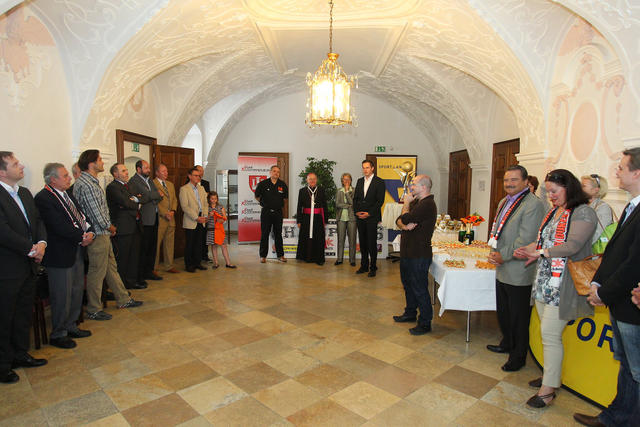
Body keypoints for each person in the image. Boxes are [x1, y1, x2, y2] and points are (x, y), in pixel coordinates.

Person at [514, 169, 596, 408]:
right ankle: (550, 377)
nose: (550, 195)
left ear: (568, 188)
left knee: (550, 335)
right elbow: (543, 241)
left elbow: (572, 245)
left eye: (554, 191)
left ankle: (548, 390)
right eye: (548, 191)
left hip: (563, 284)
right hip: (544, 280)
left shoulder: (583, 212)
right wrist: (529, 250)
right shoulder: (554, 211)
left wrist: (540, 252)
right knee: (547, 334)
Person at [574, 148, 640, 427]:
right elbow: (614, 252)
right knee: (626, 366)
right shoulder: (631, 205)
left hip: (631, 305)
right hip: (620, 301)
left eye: (622, 167)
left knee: (636, 370)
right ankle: (615, 417)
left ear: (637, 173)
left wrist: (603, 292)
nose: (617, 172)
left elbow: (633, 263)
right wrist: (597, 282)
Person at [485, 165, 545, 372]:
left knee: (519, 317)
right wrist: (494, 251)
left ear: (526, 182)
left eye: (514, 180)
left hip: (519, 269)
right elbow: (498, 230)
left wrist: (503, 255)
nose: (509, 184)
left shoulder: (533, 204)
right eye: (506, 180)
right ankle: (507, 343)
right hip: (502, 266)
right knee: (504, 312)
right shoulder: (504, 201)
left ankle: (518, 357)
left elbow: (526, 239)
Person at [74, 149, 143, 320]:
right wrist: (110, 226)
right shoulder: (87, 184)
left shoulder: (91, 181)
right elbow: (95, 213)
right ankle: (94, 309)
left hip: (102, 233)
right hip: (97, 234)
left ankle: (123, 298)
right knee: (97, 273)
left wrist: (107, 227)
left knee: (111, 268)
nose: (102, 162)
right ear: (91, 164)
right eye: (99, 160)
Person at [0, 152, 48, 384]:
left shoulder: (25, 193)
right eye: (15, 164)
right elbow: (3, 231)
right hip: (7, 268)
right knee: (4, 317)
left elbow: (37, 221)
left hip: (29, 265)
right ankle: (3, 365)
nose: (22, 166)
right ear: (2, 172)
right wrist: (31, 248)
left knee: (22, 313)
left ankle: (20, 354)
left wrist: (42, 243)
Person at [35, 163, 94, 349]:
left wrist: (90, 231)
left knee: (76, 290)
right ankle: (58, 333)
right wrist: (82, 237)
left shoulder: (67, 194)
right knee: (62, 295)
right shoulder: (43, 198)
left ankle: (71, 325)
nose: (69, 178)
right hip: (59, 254)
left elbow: (82, 216)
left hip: (76, 249)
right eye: (65, 176)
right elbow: (57, 225)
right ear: (53, 179)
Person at [393, 175, 437, 335]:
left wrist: (405, 205)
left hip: (419, 254)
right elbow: (399, 220)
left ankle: (425, 323)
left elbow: (406, 217)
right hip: (408, 252)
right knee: (408, 285)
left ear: (423, 187)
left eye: (413, 184)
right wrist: (404, 226)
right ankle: (410, 313)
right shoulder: (417, 202)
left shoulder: (427, 204)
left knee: (419, 288)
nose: (411, 187)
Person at [106, 163, 145, 290]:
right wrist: (136, 203)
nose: (127, 172)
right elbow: (124, 202)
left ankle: (131, 281)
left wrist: (135, 201)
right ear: (115, 174)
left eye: (126, 170)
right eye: (123, 171)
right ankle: (120, 286)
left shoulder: (130, 185)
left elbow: (141, 197)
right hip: (123, 227)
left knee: (134, 256)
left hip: (135, 225)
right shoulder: (112, 187)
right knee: (123, 258)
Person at [128, 160, 163, 281]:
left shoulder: (149, 180)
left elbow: (159, 196)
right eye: (146, 168)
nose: (149, 170)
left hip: (154, 217)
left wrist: (149, 196)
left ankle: (149, 271)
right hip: (145, 219)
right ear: (138, 169)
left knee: (152, 248)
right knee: (144, 248)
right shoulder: (133, 181)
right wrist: (152, 195)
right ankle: (141, 274)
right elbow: (141, 198)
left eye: (149, 167)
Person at [353, 159, 385, 277]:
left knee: (371, 243)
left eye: (367, 167)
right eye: (363, 168)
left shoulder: (379, 182)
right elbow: (355, 199)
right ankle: (364, 266)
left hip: (372, 217)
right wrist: (357, 212)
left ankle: (373, 267)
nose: (365, 170)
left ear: (372, 168)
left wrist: (369, 213)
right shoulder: (359, 181)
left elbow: (380, 201)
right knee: (362, 243)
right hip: (360, 216)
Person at [255, 165, 288, 263]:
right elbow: (257, 196)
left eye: (278, 172)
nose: (276, 173)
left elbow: (285, 198)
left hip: (278, 212)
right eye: (274, 171)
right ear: (270, 172)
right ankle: (263, 256)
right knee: (264, 234)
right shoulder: (263, 184)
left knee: (278, 234)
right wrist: (264, 203)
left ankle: (280, 255)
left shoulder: (282, 184)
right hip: (266, 212)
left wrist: (277, 204)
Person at [179, 166, 208, 272]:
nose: (198, 177)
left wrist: (205, 215)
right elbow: (185, 206)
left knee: (199, 243)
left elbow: (205, 203)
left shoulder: (201, 188)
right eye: (195, 175)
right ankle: (189, 265)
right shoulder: (184, 189)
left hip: (202, 218)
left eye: (199, 176)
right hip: (191, 219)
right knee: (190, 243)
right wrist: (196, 218)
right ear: (190, 176)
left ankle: (197, 263)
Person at [296, 173, 328, 265]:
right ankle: (305, 257)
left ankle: (319, 259)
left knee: (318, 238)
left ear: (316, 180)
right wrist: (299, 220)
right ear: (307, 180)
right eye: (310, 179)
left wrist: (325, 219)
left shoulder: (321, 190)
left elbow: (325, 205)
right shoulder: (302, 191)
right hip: (306, 218)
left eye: (314, 179)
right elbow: (299, 206)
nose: (312, 181)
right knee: (305, 237)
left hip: (318, 218)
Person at [153, 163, 179, 273]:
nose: (166, 173)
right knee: (156, 244)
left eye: (167, 171)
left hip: (171, 219)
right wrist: (165, 213)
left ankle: (169, 266)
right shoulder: (152, 184)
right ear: (157, 173)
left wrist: (172, 211)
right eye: (163, 171)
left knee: (169, 244)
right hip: (160, 219)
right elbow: (154, 202)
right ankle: (154, 267)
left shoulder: (170, 184)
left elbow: (174, 200)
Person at [581, 173, 614, 245]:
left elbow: (595, 234)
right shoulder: (582, 205)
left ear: (596, 190)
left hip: (592, 250)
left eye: (583, 186)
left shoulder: (603, 208)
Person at [206, 191, 235, 268]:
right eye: (212, 199)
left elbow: (225, 218)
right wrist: (209, 216)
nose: (214, 200)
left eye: (215, 199)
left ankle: (228, 263)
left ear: (217, 199)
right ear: (209, 199)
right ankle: (216, 263)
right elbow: (205, 220)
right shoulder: (206, 208)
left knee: (224, 245)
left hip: (219, 230)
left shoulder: (221, 207)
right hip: (211, 230)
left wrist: (221, 220)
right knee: (213, 246)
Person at [335, 172, 356, 266]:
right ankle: (339, 259)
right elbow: (337, 204)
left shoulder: (355, 190)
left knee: (352, 240)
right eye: (344, 179)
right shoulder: (339, 191)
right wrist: (348, 206)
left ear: (351, 180)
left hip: (352, 218)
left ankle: (352, 260)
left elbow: (353, 203)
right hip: (341, 218)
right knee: (340, 239)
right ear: (342, 181)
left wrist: (347, 192)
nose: (346, 181)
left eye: (348, 179)